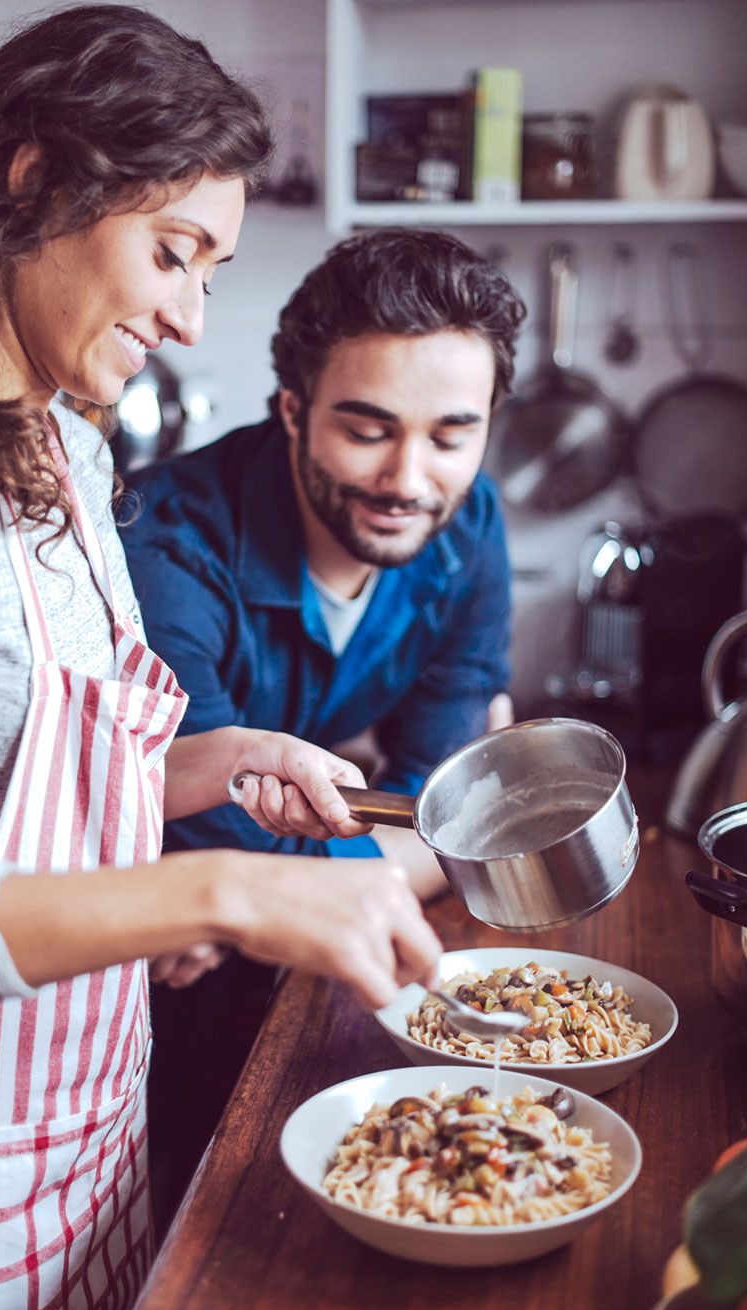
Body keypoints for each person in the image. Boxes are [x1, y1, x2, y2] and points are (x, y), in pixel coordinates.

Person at [0, 9, 443, 1310]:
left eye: (209, 270)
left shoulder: (70, 454)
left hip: (92, 1138)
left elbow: (14, 777)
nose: (186, 313)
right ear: (32, 177)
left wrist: (215, 763)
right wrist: (216, 889)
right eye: (174, 253)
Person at [120, 227, 527, 1223]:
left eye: (449, 434)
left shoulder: (466, 526)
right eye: (368, 428)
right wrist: (232, 897)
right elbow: (201, 826)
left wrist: (257, 901)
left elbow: (446, 798)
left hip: (252, 934)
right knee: (182, 1206)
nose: (408, 480)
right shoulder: (168, 544)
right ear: (293, 410)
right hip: (144, 955)